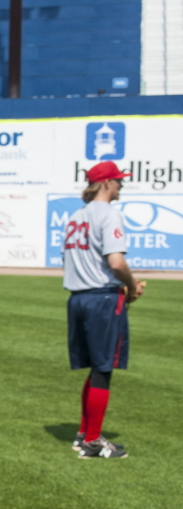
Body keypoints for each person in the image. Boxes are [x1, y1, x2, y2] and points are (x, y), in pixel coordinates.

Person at [62, 161, 144, 459]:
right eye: (119, 181)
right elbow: (116, 263)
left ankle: (85, 435)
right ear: (107, 183)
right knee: (104, 367)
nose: (122, 186)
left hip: (78, 298)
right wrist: (132, 285)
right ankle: (93, 442)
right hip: (103, 300)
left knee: (97, 367)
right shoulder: (109, 214)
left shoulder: (74, 217)